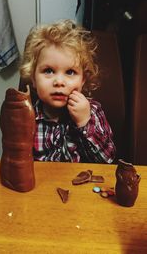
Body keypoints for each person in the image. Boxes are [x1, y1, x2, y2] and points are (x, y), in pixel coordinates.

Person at [20, 19, 116, 163]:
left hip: (81, 183)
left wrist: (84, 122)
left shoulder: (93, 111)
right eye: (49, 70)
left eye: (70, 72)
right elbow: (17, 160)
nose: (59, 82)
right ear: (33, 78)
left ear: (83, 80)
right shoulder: (27, 116)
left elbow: (107, 160)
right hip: (41, 184)